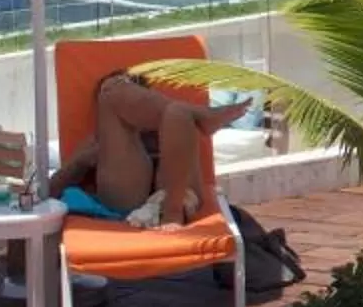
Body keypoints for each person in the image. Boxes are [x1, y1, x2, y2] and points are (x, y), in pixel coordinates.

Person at [45, 71, 244, 229]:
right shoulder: (103, 141)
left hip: (179, 198)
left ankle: (172, 212)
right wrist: (82, 162)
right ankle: (200, 115)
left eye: (135, 88)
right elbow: (48, 191)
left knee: (176, 115)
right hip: (126, 206)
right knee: (172, 110)